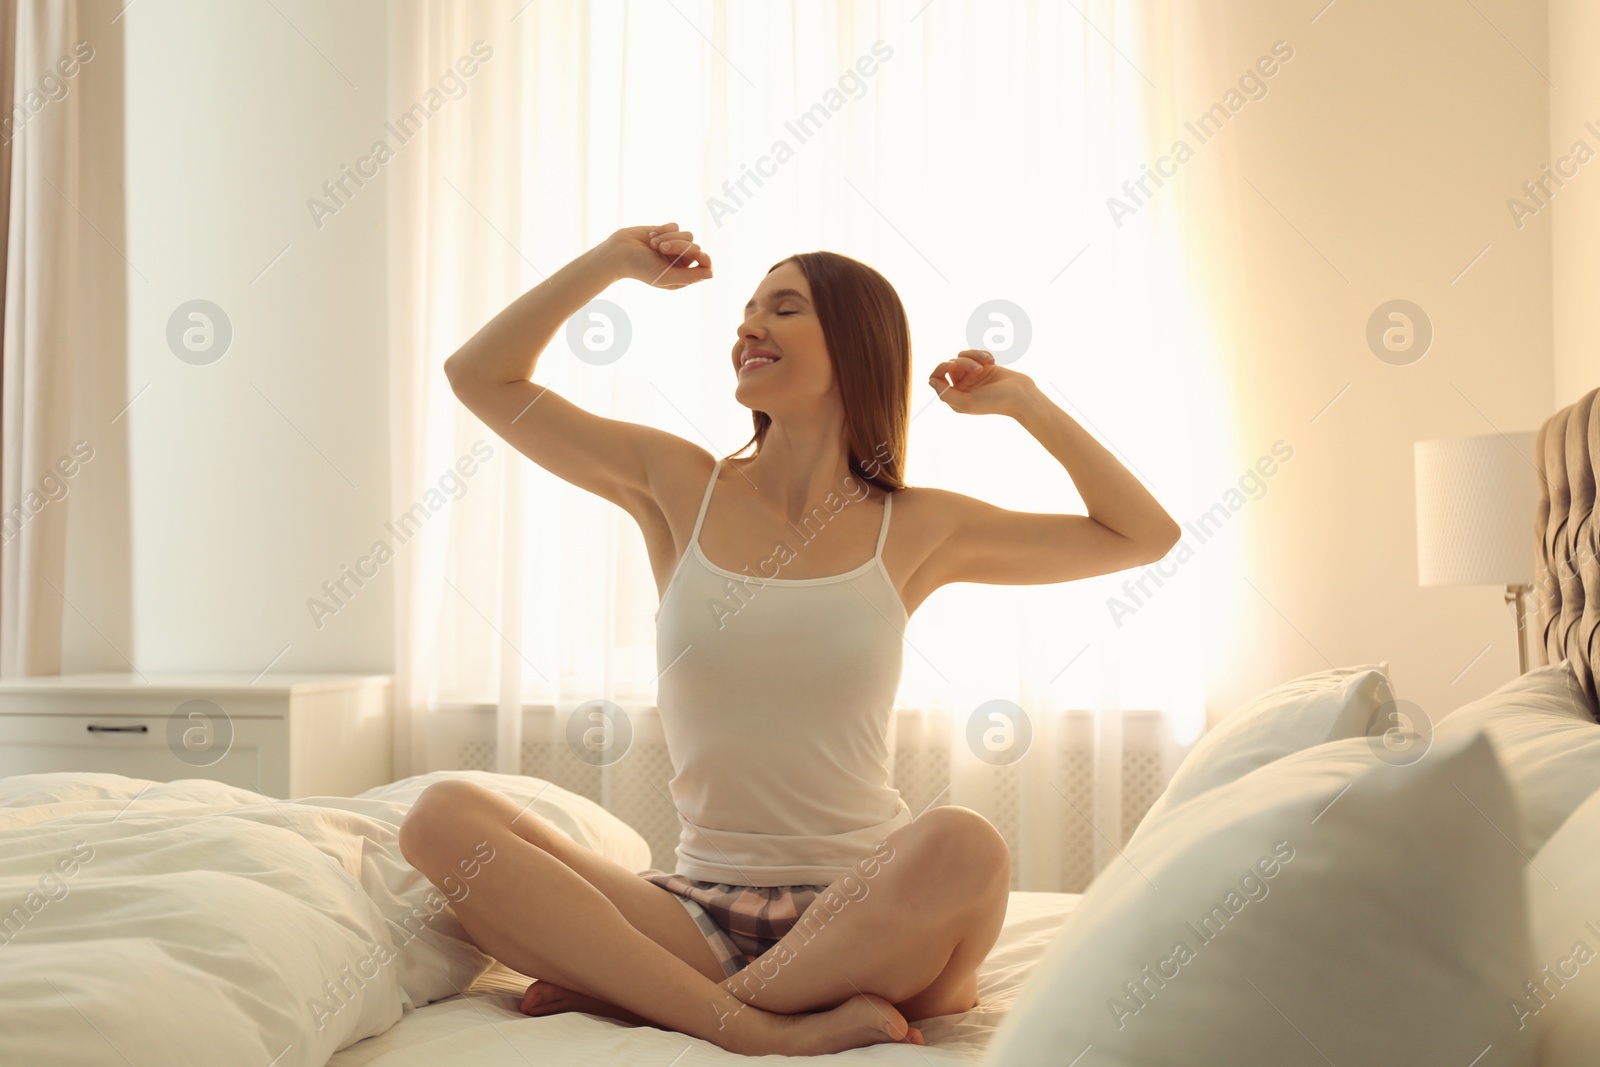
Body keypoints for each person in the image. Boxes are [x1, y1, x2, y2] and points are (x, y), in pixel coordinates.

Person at [397, 223, 1182, 1055]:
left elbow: (1143, 534)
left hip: (864, 912)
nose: (749, 326)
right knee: (444, 817)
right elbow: (478, 376)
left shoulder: (916, 527)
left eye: (784, 307)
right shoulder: (678, 484)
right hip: (693, 912)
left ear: (854, 345)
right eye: (745, 311)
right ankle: (758, 1023)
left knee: (967, 845)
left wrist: (1023, 403)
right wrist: (614, 262)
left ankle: (665, 1001)